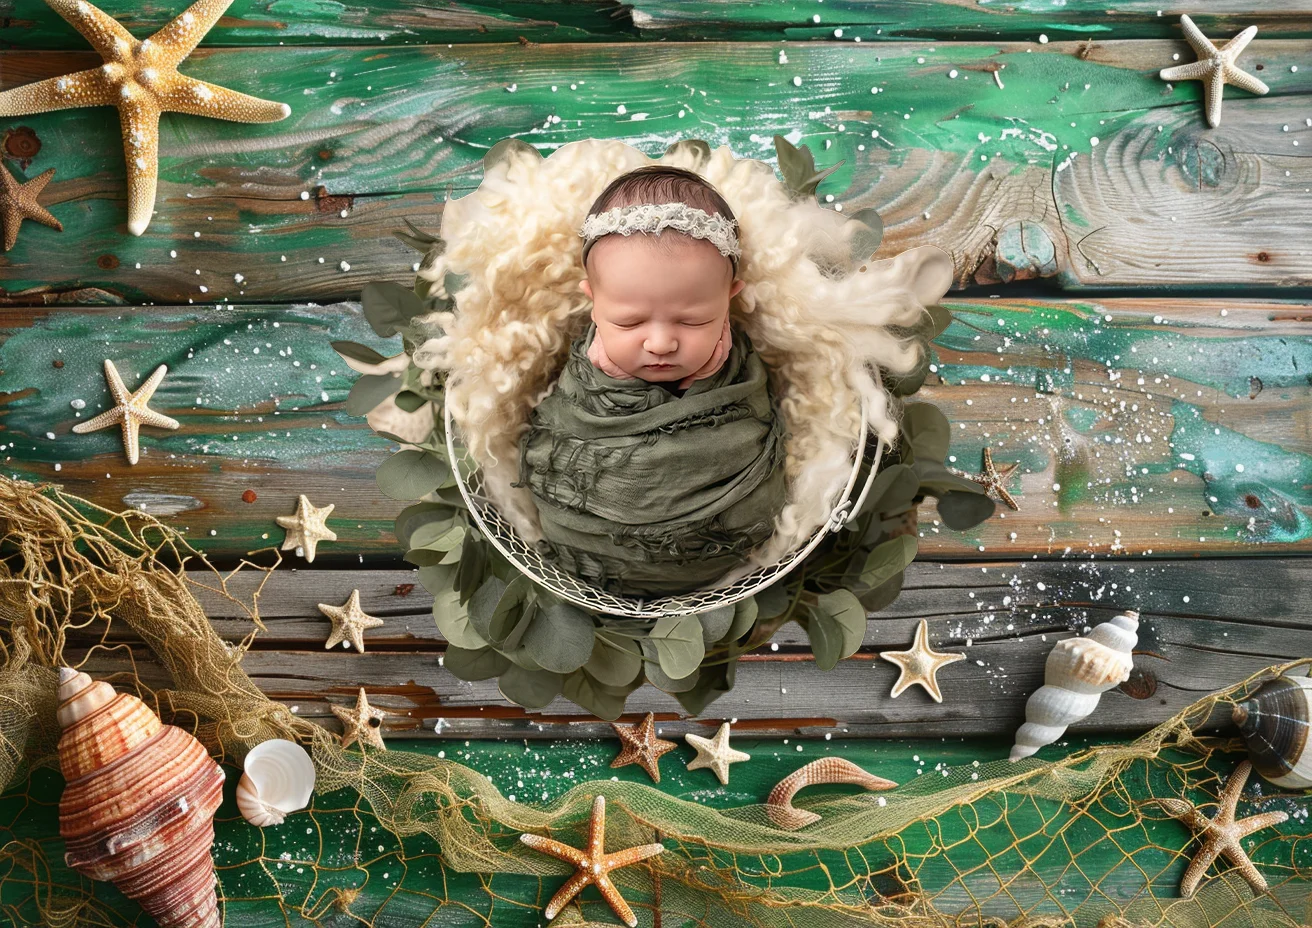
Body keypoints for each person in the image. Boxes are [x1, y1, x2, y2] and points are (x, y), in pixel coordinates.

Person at [515, 165, 789, 598]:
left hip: (722, 553)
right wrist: (610, 384)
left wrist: (711, 379)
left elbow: (755, 419)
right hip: (589, 551)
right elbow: (561, 426)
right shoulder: (587, 364)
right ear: (593, 303)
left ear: (730, 300)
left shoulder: (736, 362)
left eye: (694, 320)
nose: (660, 343)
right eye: (628, 322)